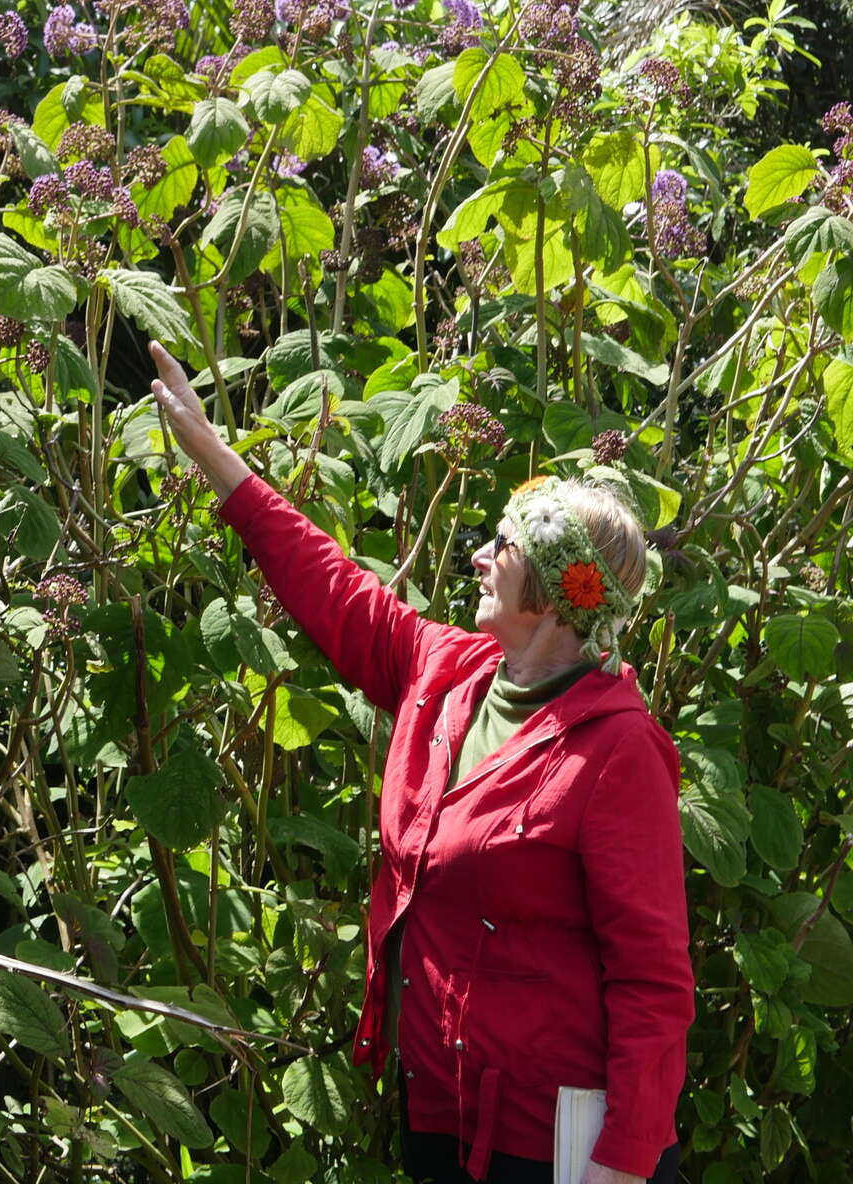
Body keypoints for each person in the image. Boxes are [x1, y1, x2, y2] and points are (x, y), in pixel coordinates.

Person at [147, 342, 693, 1184]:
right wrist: (217, 459)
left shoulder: (618, 752)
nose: (478, 553)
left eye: (502, 545)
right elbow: (333, 589)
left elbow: (653, 977)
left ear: (551, 593)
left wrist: (623, 1162)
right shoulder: (451, 673)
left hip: (543, 1143)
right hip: (437, 1099)